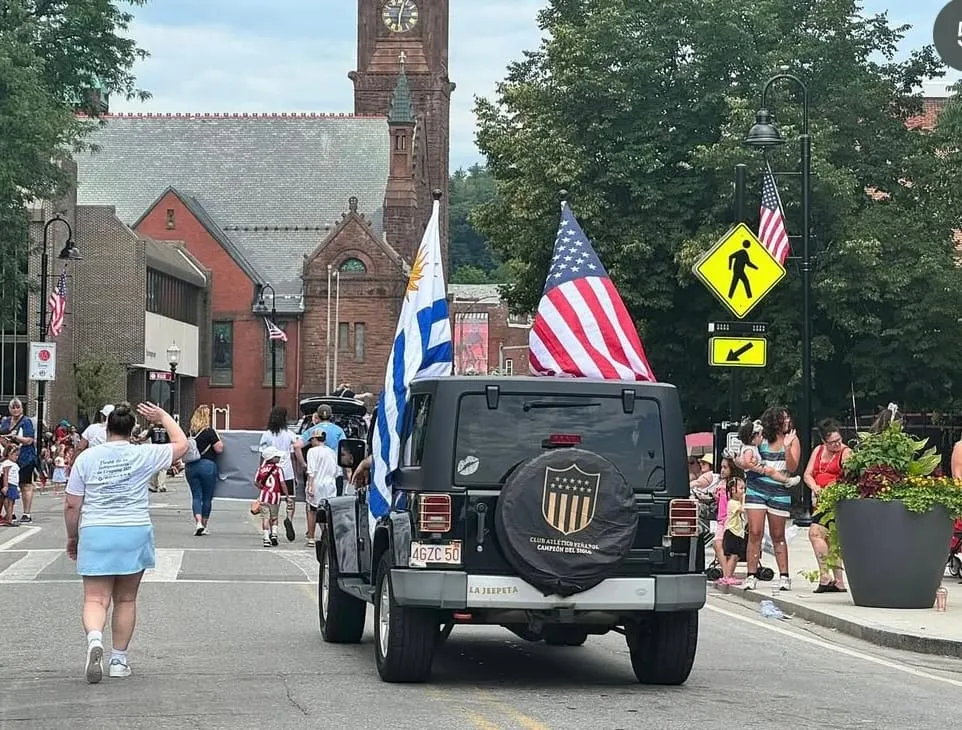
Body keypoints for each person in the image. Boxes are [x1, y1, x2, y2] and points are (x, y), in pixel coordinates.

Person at [64, 402, 188, 683]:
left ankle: (95, 638)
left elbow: (72, 505)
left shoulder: (87, 458)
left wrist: (73, 537)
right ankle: (119, 660)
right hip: (133, 529)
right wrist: (163, 417)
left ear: (105, 427)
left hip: (97, 530)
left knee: (95, 598)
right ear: (132, 430)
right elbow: (182, 445)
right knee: (126, 598)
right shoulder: (143, 454)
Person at [739, 406, 800, 592]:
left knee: (778, 534)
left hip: (778, 491)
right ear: (775, 421)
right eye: (784, 418)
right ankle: (751, 574)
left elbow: (793, 466)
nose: (788, 421)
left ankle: (784, 576)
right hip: (757, 488)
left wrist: (788, 447)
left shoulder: (792, 439)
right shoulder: (761, 438)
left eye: (788, 418)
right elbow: (748, 453)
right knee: (755, 532)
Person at [804, 419, 851, 593]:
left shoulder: (845, 453)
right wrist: (815, 486)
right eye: (832, 442)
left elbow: (847, 478)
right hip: (819, 497)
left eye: (839, 440)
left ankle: (825, 576)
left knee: (815, 533)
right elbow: (808, 474)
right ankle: (838, 581)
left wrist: (831, 488)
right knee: (831, 539)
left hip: (833, 499)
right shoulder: (818, 451)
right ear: (824, 441)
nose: (837, 444)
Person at [258, 406, 304, 543]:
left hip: (271, 472)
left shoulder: (266, 434)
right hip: (287, 470)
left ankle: (273, 530)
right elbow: (293, 454)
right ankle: (289, 518)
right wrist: (296, 473)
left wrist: (261, 469)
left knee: (273, 502)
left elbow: (262, 454)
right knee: (290, 498)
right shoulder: (289, 434)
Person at [185, 405, 223, 536]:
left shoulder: (190, 433)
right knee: (207, 498)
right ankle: (204, 526)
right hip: (207, 466)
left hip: (191, 467)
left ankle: (198, 523)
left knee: (196, 496)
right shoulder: (209, 432)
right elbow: (219, 449)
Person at [0, 398, 37, 523]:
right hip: (8, 459)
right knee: (7, 485)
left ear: (22, 408)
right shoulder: (5, 422)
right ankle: (10, 513)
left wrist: (16, 438)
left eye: (18, 407)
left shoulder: (26, 422)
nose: (15, 410)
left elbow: (30, 440)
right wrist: (7, 444)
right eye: (13, 407)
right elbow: (1, 437)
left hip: (25, 457)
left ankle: (27, 513)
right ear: (9, 409)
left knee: (25, 484)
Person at [737, 419, 802, 489]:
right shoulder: (749, 450)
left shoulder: (753, 447)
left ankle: (787, 481)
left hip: (756, 470)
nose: (761, 438)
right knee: (771, 471)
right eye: (759, 436)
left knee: (771, 471)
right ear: (753, 440)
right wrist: (756, 468)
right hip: (753, 473)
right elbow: (747, 462)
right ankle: (787, 481)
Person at [305, 430, 339, 547]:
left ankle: (311, 537)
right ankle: (327, 534)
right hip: (330, 484)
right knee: (327, 511)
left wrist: (310, 486)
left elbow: (311, 471)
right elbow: (336, 471)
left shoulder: (312, 452)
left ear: (315, 439)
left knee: (312, 510)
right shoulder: (332, 452)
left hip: (317, 483)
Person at [719, 460, 747, 586]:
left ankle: (729, 575)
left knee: (735, 556)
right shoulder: (733, 503)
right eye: (741, 489)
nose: (743, 491)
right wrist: (745, 499)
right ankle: (728, 576)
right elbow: (743, 510)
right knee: (733, 555)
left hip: (737, 532)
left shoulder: (735, 502)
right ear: (733, 490)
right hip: (732, 533)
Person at [254, 446, 288, 547]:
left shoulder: (261, 469)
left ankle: (266, 538)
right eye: (277, 456)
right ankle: (274, 534)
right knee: (274, 517)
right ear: (272, 458)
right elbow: (282, 483)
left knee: (265, 518)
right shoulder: (278, 469)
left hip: (264, 497)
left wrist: (262, 487)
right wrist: (286, 495)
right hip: (275, 497)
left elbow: (256, 482)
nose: (279, 458)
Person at [1, 443, 22, 526]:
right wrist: (5, 486)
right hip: (9, 484)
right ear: (9, 454)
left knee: (12, 502)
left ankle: (8, 517)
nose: (17, 457)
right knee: (9, 502)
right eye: (15, 455)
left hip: (14, 484)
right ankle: (9, 519)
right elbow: (5, 475)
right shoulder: (7, 463)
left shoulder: (13, 464)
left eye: (17, 455)